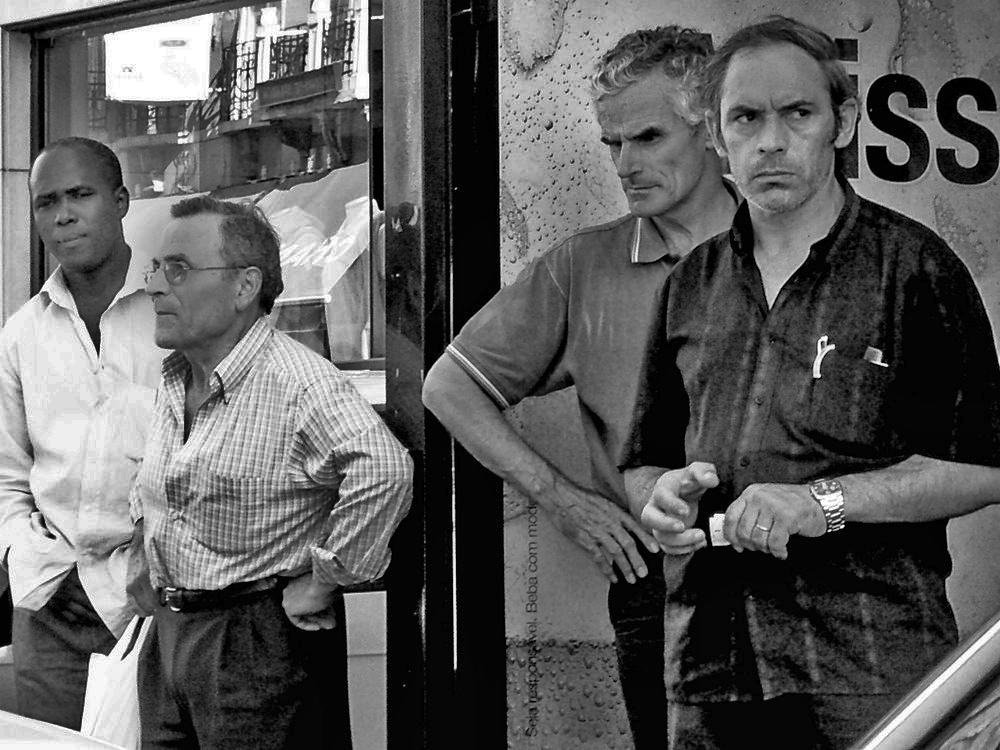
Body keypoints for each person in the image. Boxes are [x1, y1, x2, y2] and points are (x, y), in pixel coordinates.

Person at [620, 15, 1000, 750]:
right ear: (717, 138)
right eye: (746, 118)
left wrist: (819, 504)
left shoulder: (914, 271)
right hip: (710, 668)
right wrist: (660, 501)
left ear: (843, 122)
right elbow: (645, 462)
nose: (771, 140)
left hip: (866, 671)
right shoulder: (691, 285)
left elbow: (982, 468)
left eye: (797, 114)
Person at [422, 26, 738, 747]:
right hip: (661, 580)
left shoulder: (788, 247)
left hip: (798, 561)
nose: (626, 164)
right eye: (613, 144)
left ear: (712, 127)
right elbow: (449, 386)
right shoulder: (584, 268)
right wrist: (564, 501)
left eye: (649, 137)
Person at [132, 195, 412, 748]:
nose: (156, 286)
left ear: (244, 287)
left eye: (179, 270)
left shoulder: (298, 382)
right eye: (157, 269)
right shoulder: (175, 377)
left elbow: (384, 470)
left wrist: (325, 579)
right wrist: (147, 548)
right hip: (171, 635)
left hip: (253, 642)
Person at [0, 137, 162, 729]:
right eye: (47, 202)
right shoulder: (22, 334)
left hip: (154, 599)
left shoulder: (174, 312)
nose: (63, 214)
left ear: (120, 201)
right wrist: (24, 550)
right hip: (50, 601)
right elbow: (7, 471)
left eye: (80, 195)